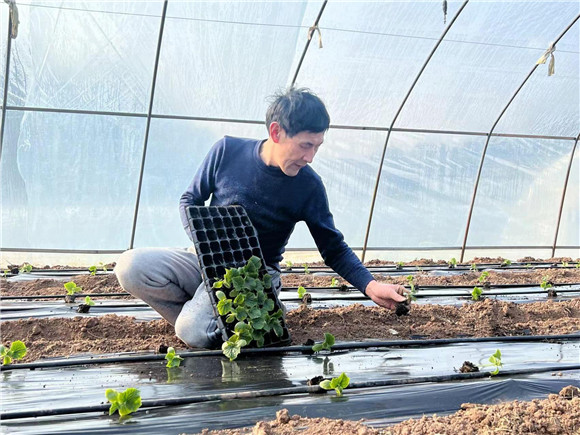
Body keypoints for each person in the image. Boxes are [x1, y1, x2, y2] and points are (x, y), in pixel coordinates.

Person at [115, 88, 407, 349]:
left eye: (318, 146)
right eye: (306, 145)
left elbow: (333, 248)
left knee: (192, 332)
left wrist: (371, 286)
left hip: (258, 274)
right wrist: (207, 245)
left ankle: (222, 319)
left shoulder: (309, 185)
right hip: (206, 262)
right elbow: (189, 200)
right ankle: (222, 319)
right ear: (277, 132)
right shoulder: (227, 151)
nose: (311, 157)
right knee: (131, 266)